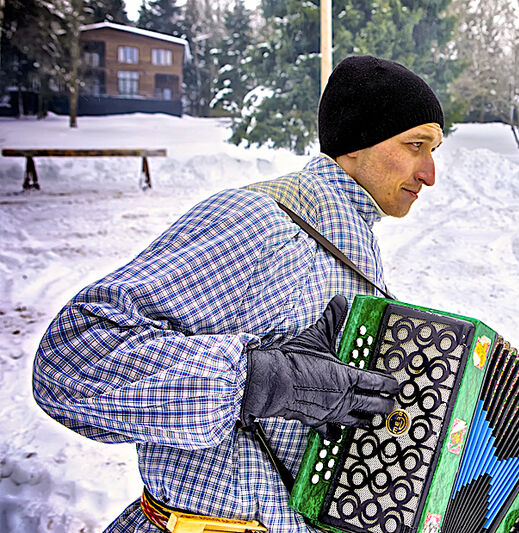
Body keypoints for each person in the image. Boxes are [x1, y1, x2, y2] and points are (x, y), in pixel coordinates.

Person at [31, 56, 445, 532]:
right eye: (416, 145)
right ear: (356, 141)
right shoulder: (259, 222)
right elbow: (69, 360)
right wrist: (265, 381)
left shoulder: (353, 243)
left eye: (434, 150)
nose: (429, 173)